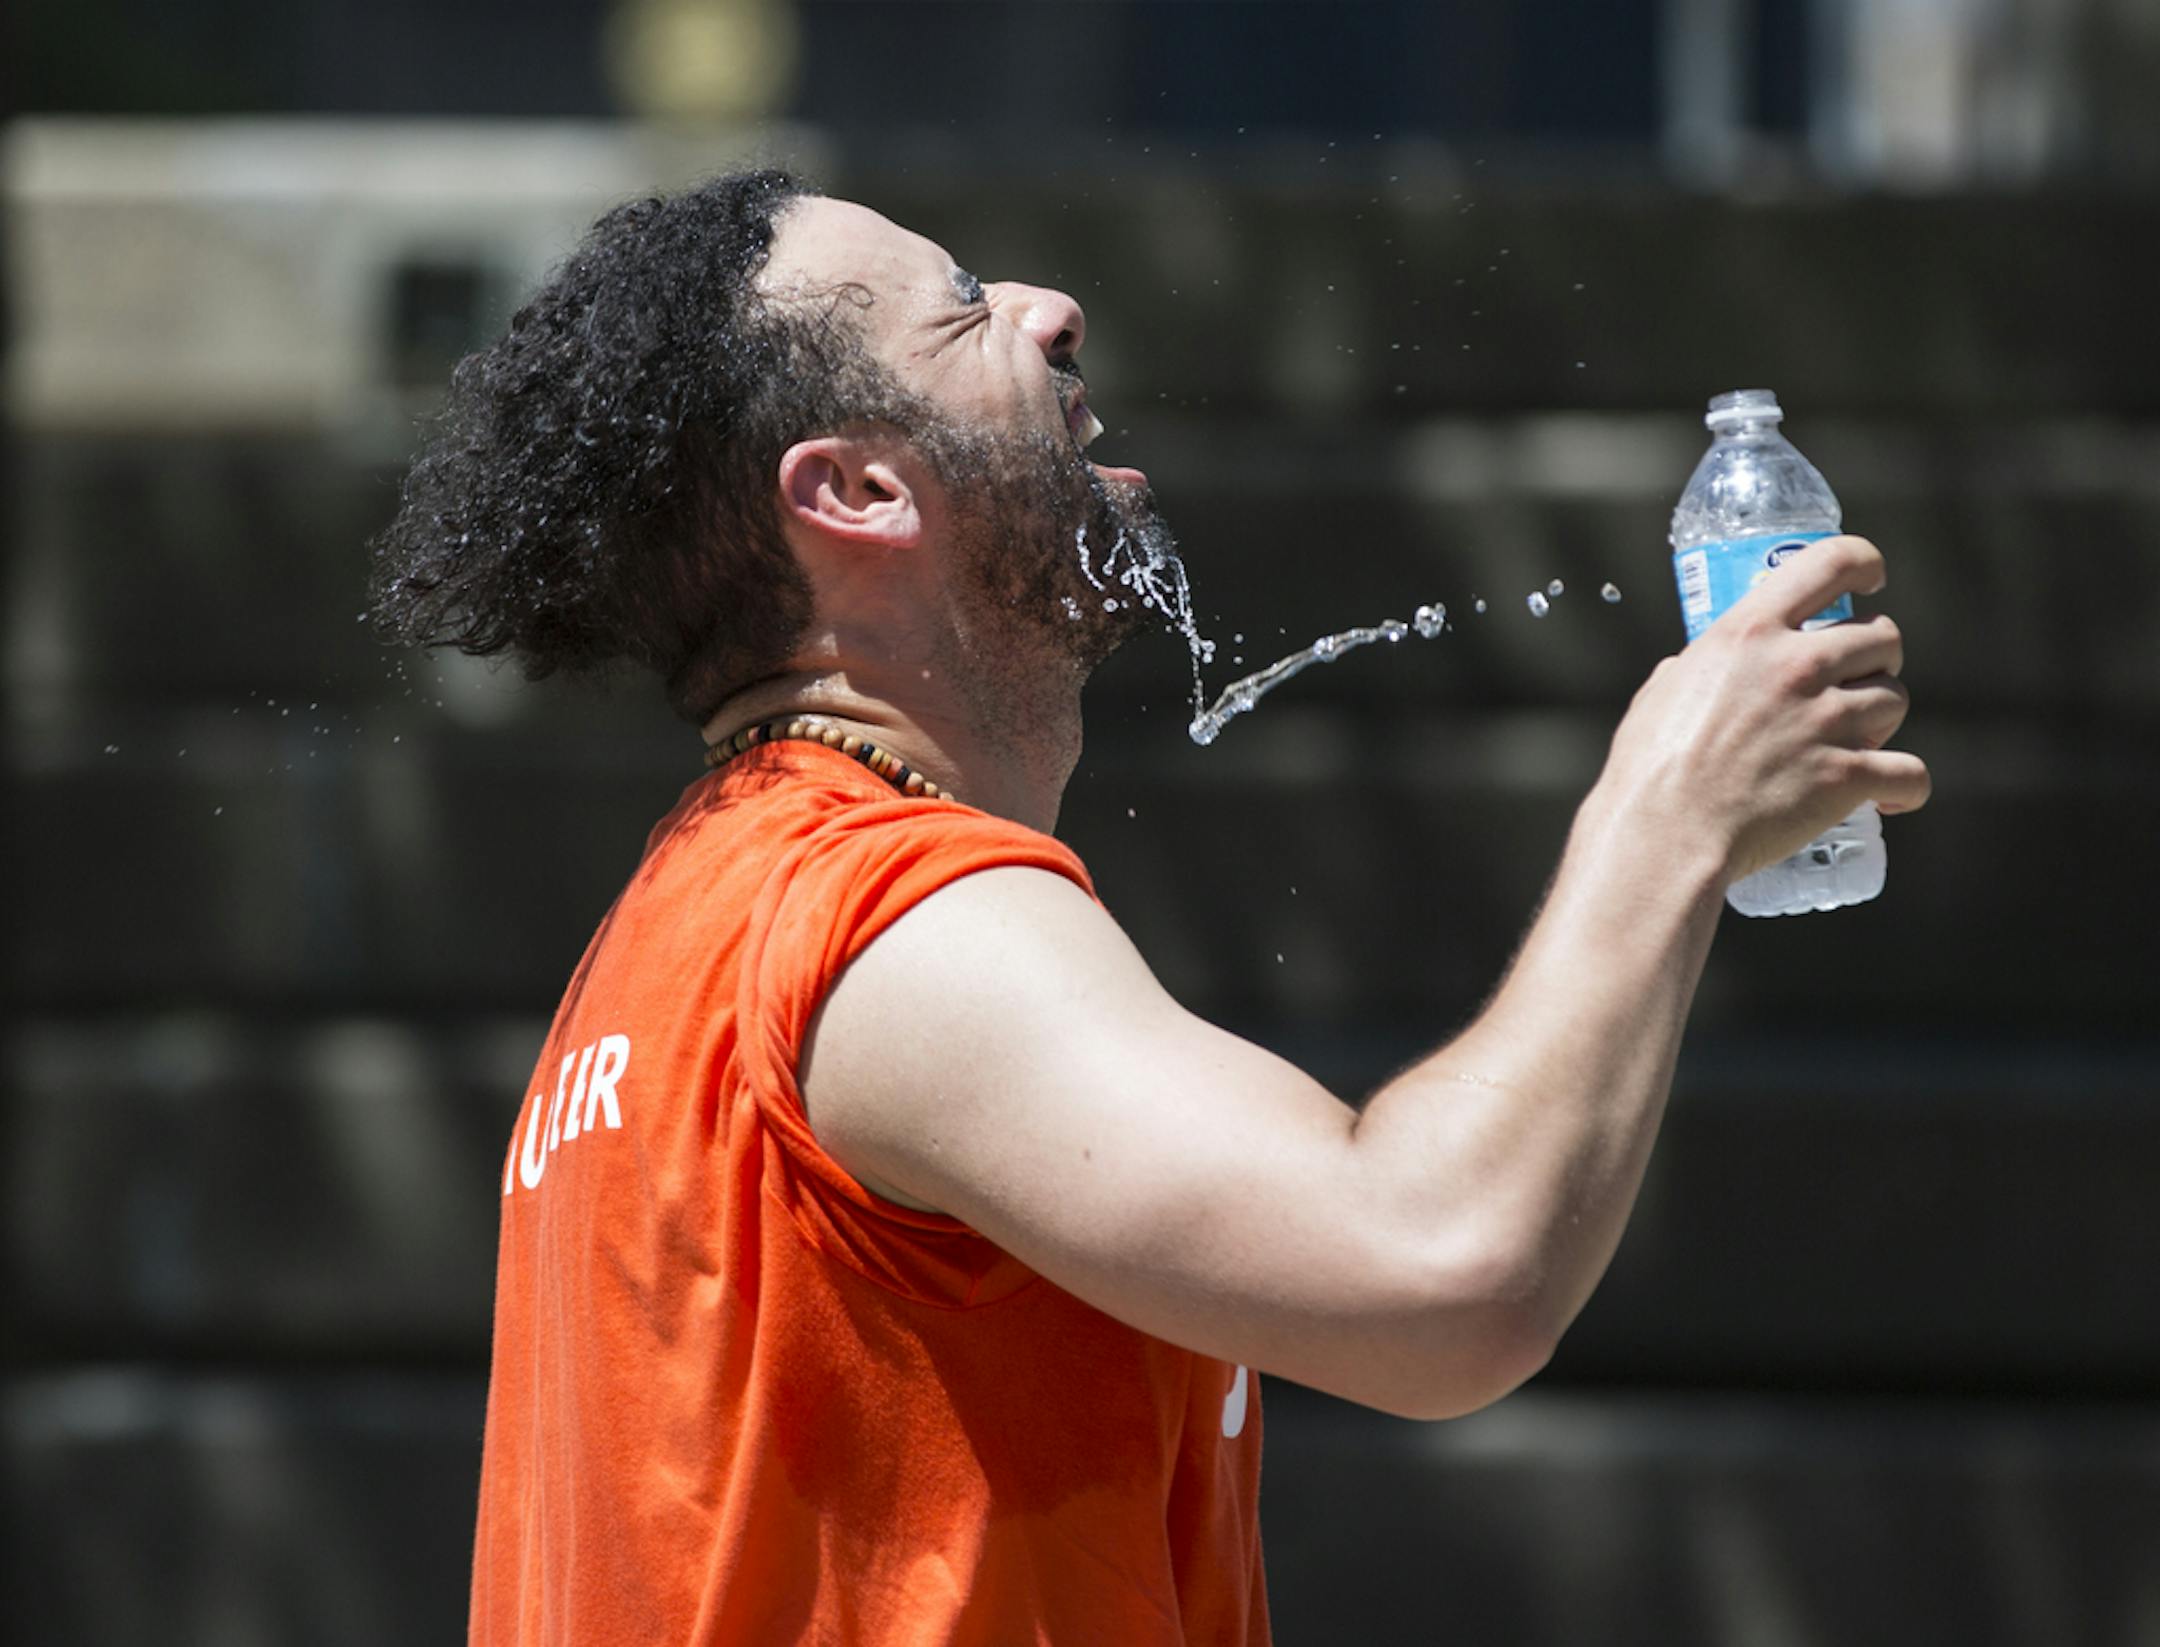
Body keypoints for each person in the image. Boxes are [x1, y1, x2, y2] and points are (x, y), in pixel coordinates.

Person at [372, 170, 1929, 1646]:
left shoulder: (681, 928)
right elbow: (1448, 1268)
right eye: (966, 306)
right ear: (854, 491)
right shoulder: (889, 917)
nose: (1050, 309)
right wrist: (1665, 816)